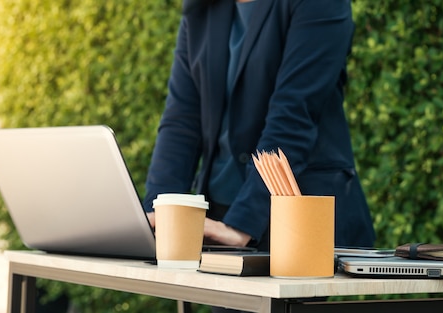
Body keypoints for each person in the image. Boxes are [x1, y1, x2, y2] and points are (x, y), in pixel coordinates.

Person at [143, 0, 375, 253]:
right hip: (215, 218)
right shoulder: (203, 8)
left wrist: (241, 225)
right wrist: (157, 215)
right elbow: (181, 122)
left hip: (295, 223)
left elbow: (293, 116)